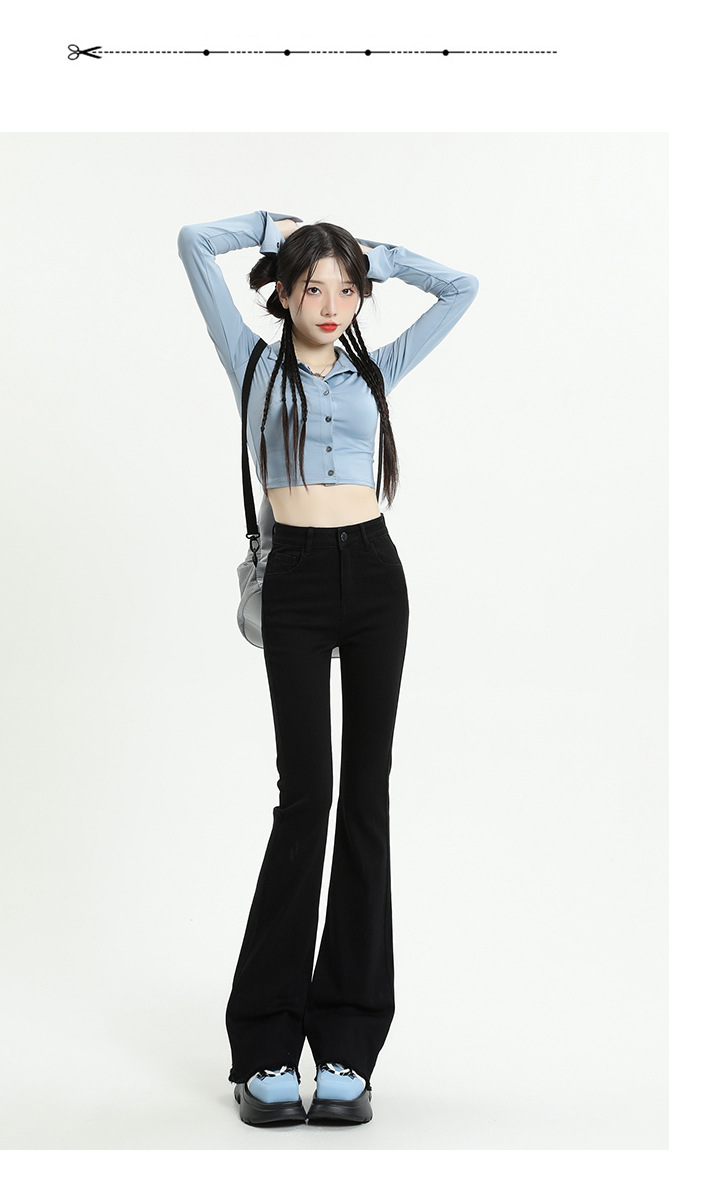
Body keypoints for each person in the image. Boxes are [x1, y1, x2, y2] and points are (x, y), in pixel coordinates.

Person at [177, 210, 479, 1126]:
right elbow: (193, 244)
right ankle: (265, 1044)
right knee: (306, 796)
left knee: (367, 796)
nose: (334, 304)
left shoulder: (373, 368)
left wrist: (370, 254)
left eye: (348, 290)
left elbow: (462, 288)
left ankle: (349, 1044)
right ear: (283, 291)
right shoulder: (251, 363)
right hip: (299, 584)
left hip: (377, 576)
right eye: (315, 286)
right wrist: (278, 228)